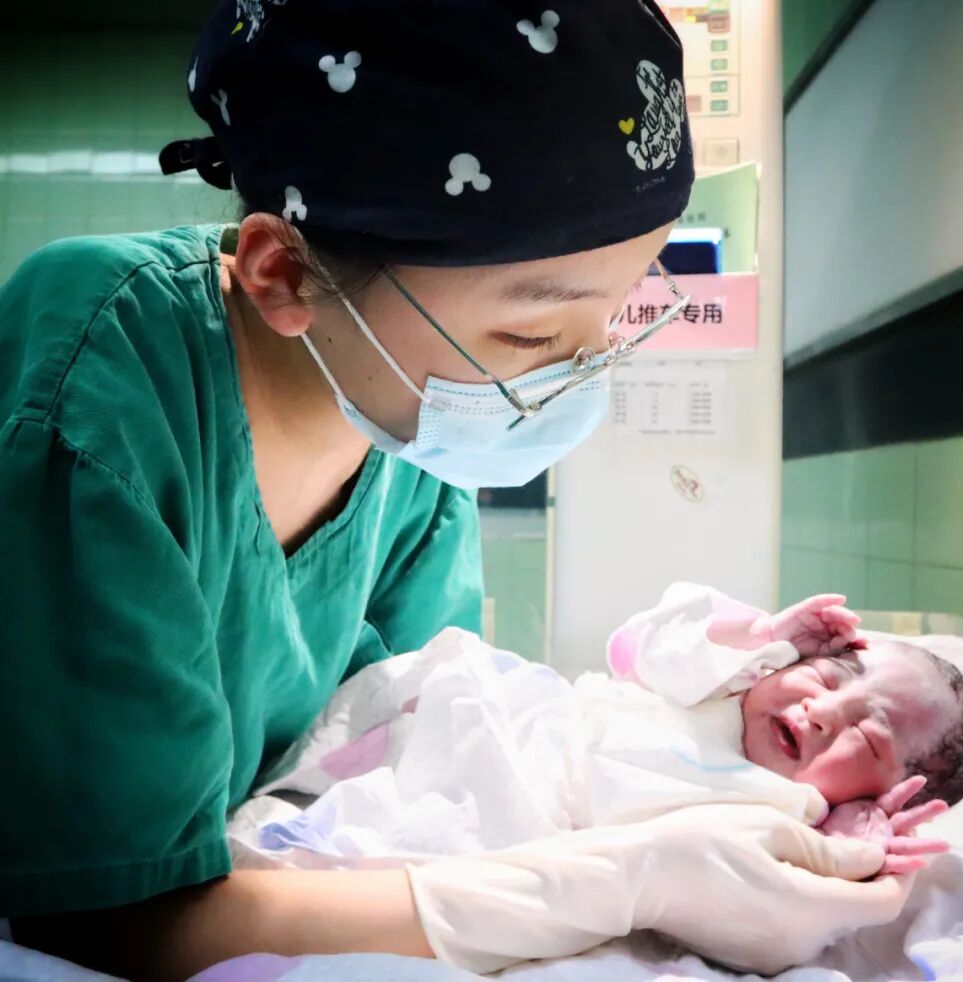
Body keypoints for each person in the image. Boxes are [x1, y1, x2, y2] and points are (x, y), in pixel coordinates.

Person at [0, 2, 907, 979]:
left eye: (622, 306)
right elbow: (104, 912)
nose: (582, 372)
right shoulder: (106, 379)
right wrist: (621, 882)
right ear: (282, 273)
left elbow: (430, 755)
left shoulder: (405, 423)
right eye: (532, 333)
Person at [226, 588, 963, 974]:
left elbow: (767, 926)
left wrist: (850, 848)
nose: (822, 712)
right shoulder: (722, 685)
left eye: (865, 739)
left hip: (540, 828)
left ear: (885, 798)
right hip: (530, 731)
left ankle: (299, 858)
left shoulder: (791, 815)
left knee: (412, 836)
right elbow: (642, 644)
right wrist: (752, 637)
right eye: (831, 675)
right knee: (429, 719)